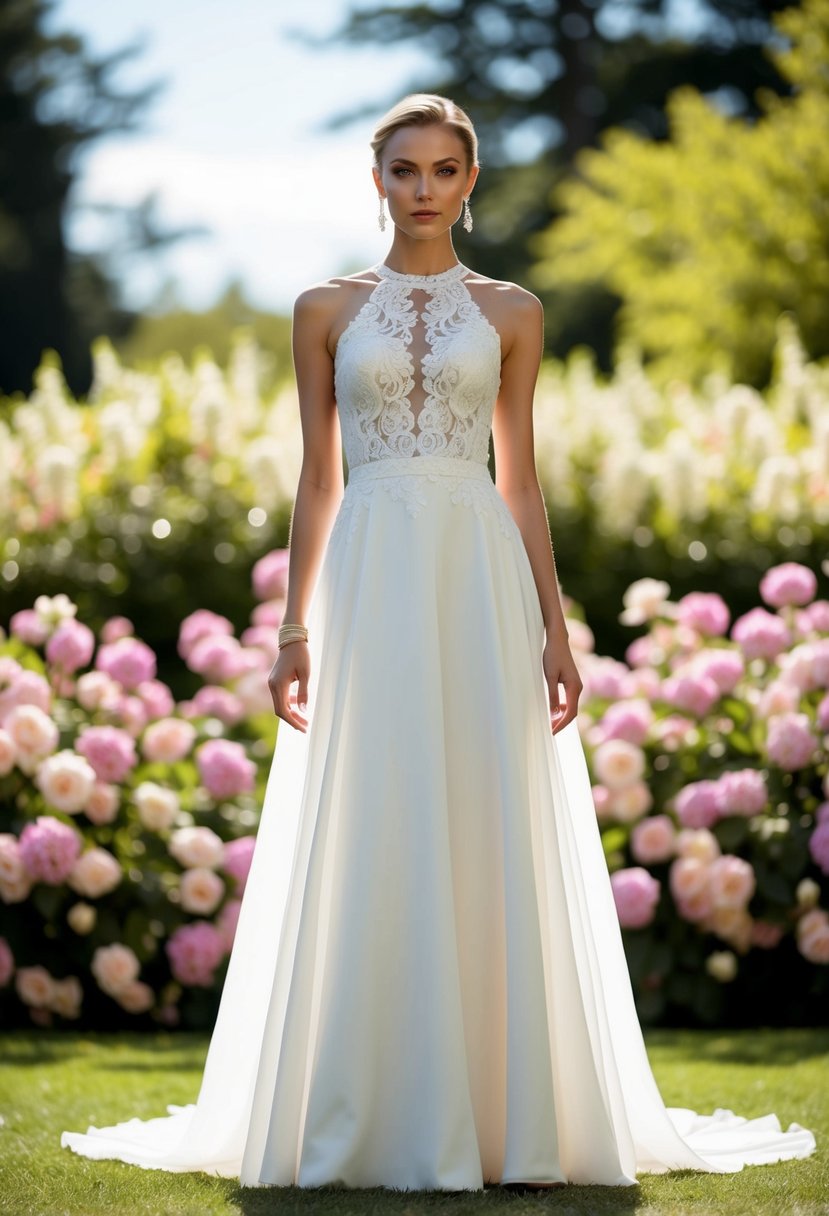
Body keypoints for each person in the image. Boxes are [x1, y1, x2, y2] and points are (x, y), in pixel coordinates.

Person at [62, 93, 816, 1192]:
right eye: (405, 168)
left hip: (476, 579)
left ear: (469, 180)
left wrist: (555, 628)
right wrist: (290, 627)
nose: (424, 188)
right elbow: (319, 476)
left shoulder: (512, 311)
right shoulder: (324, 306)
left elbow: (522, 474)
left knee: (480, 805)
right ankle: (366, 1098)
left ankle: (505, 1108)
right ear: (377, 179)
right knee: (375, 803)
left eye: (445, 169)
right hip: (368, 575)